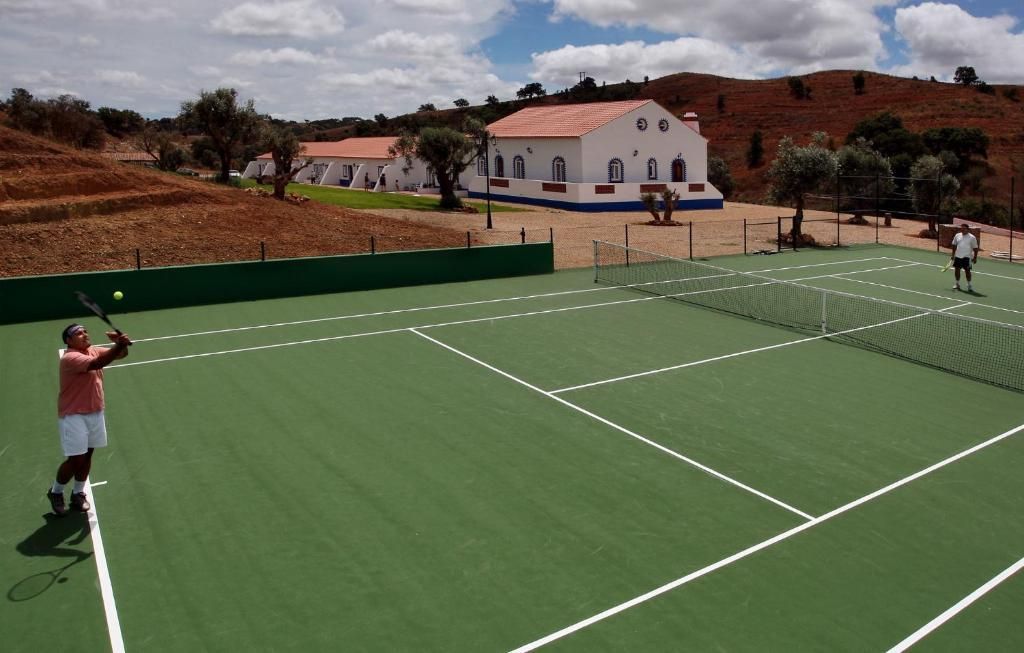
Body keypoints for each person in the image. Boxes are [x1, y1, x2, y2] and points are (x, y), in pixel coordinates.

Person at [46, 324, 131, 516]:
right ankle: (56, 491)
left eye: (85, 331)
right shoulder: (70, 358)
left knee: (88, 455)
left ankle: (78, 493)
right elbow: (96, 364)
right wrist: (118, 344)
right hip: (73, 414)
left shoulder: (92, 350)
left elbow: (121, 355)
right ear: (68, 340)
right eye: (78, 333)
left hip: (95, 411)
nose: (84, 334)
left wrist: (120, 345)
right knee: (76, 459)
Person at [949, 222, 979, 292]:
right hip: (958, 256)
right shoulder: (957, 235)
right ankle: (957, 284)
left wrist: (975, 257)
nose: (962, 230)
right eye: (961, 228)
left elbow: (975, 248)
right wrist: (953, 255)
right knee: (957, 270)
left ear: (968, 229)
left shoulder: (972, 237)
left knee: (967, 271)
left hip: (967, 257)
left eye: (964, 229)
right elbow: (954, 245)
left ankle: (969, 285)